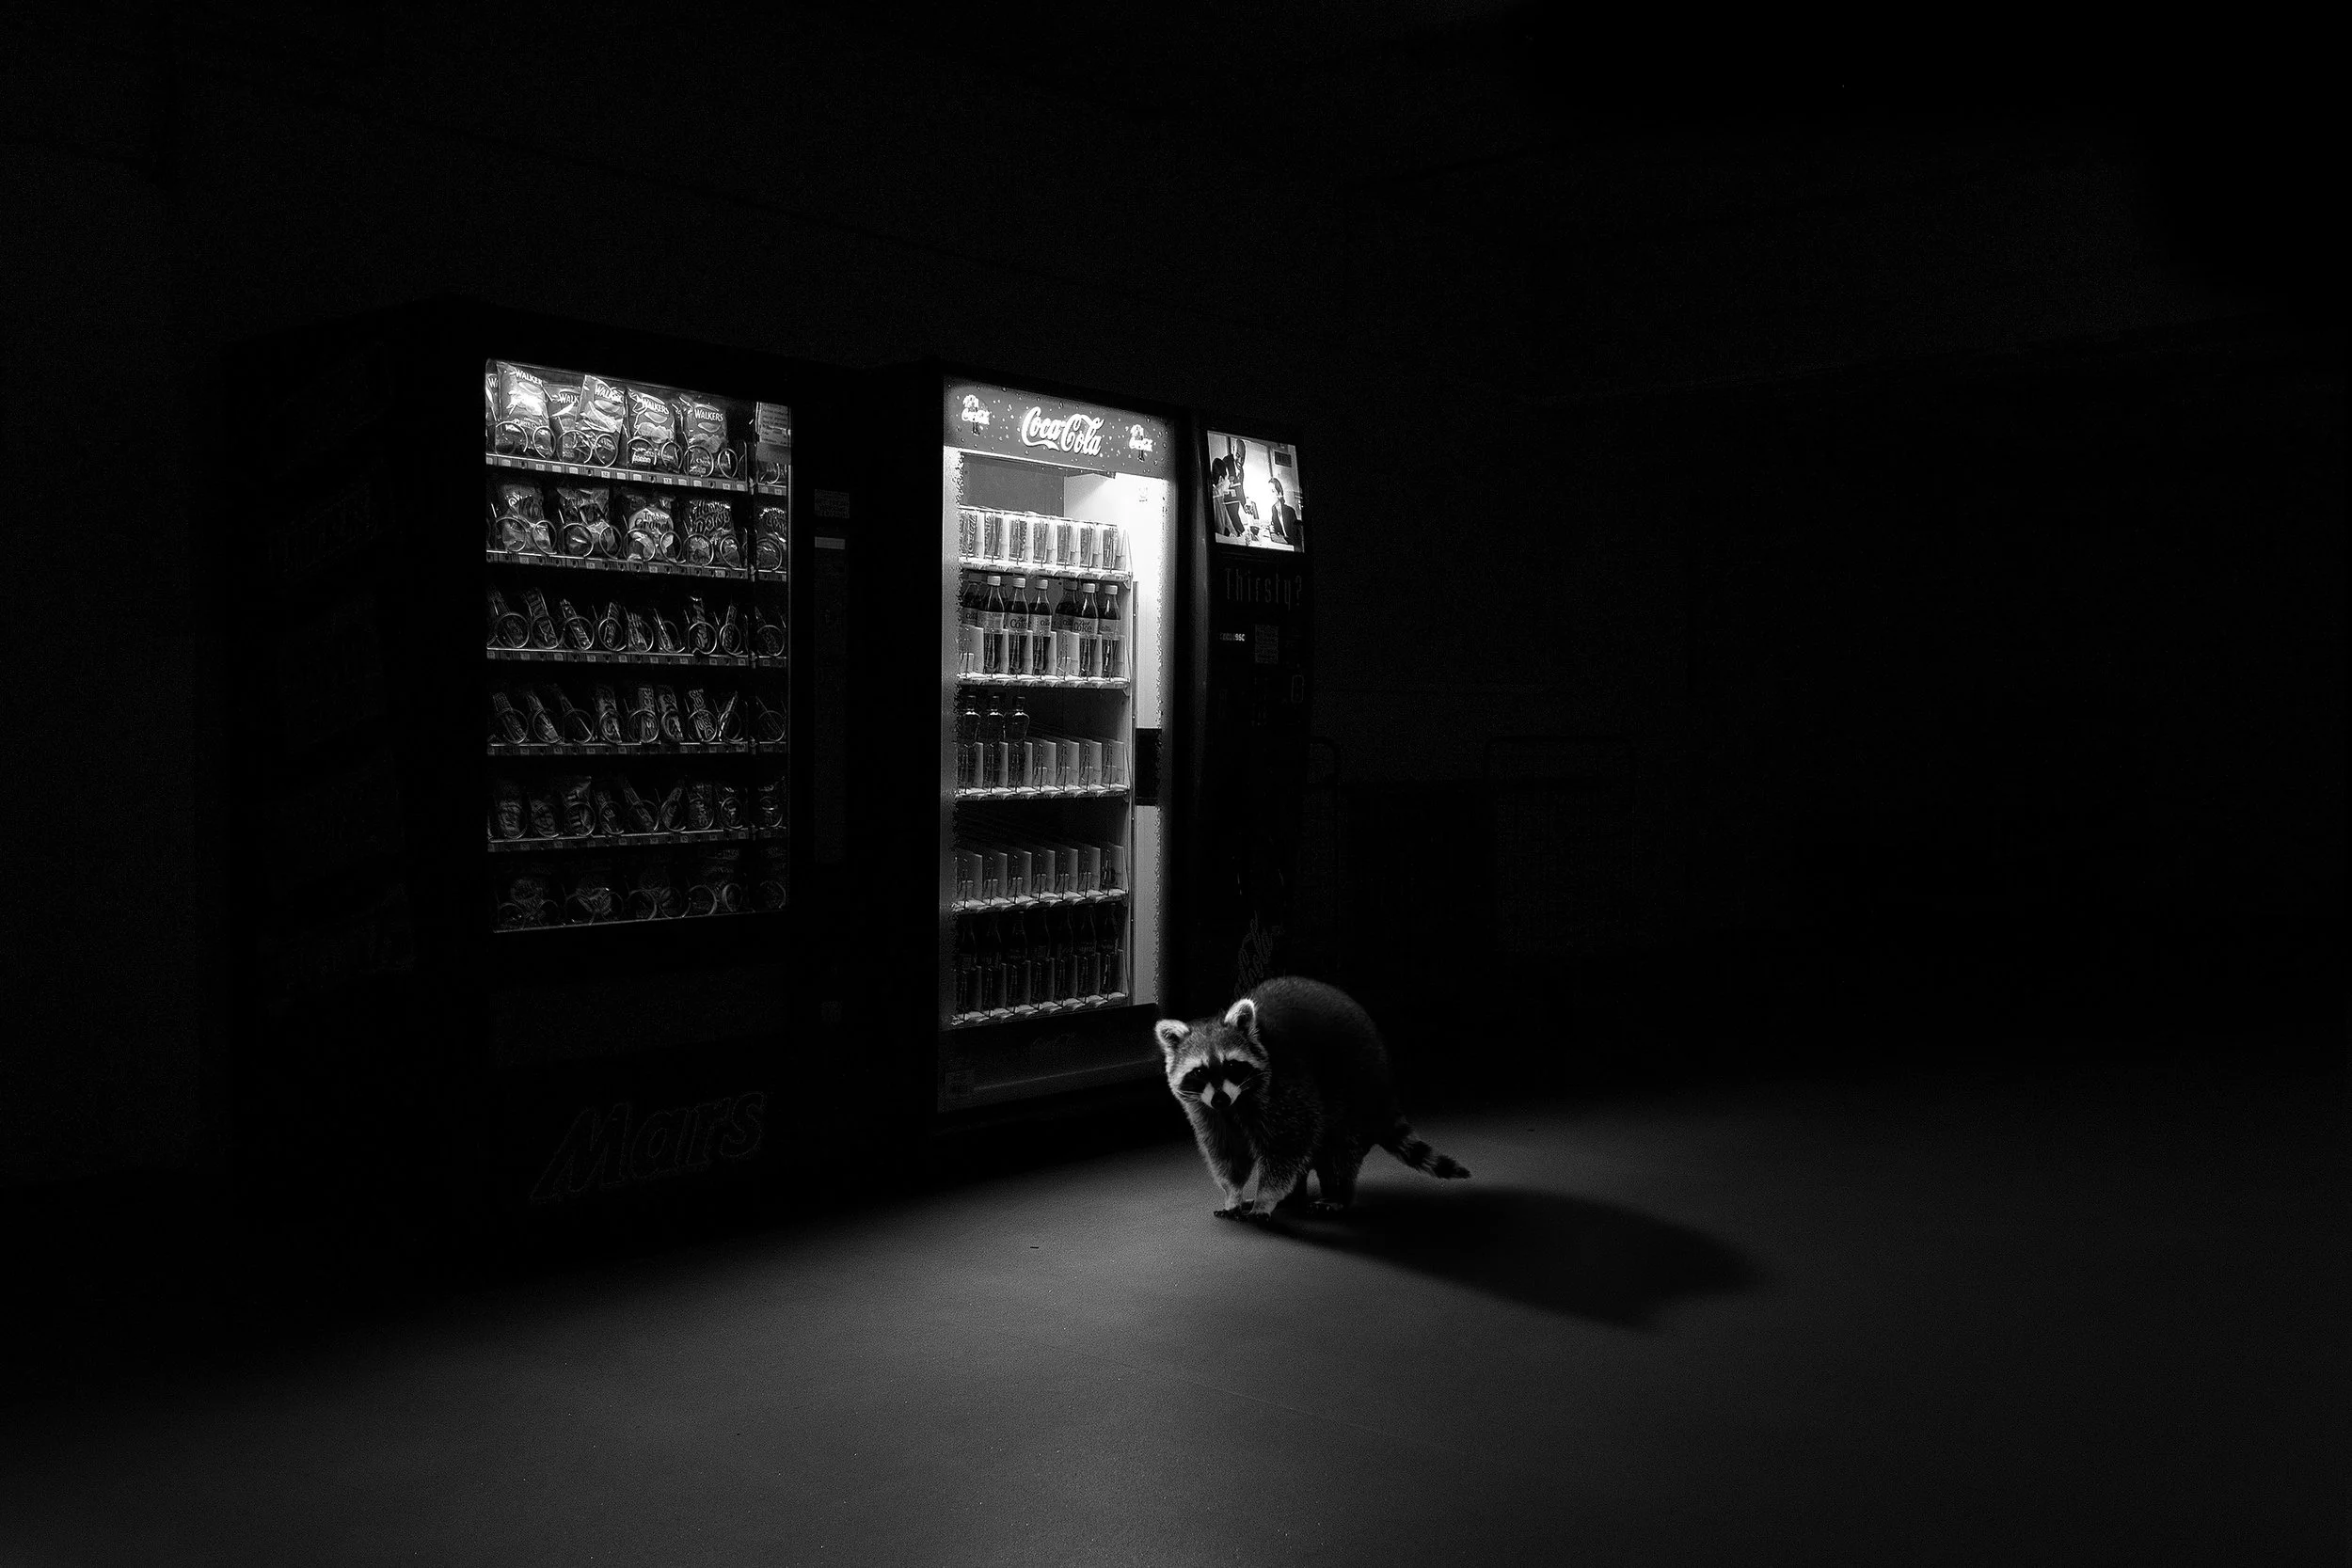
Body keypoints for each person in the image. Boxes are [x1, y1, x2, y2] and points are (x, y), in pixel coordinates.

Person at [1265, 477, 1300, 548]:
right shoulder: (1274, 509)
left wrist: (1282, 539)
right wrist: (1273, 533)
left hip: (1294, 548)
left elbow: (1296, 538)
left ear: (1280, 494)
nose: (1269, 495)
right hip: (1283, 547)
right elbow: (1274, 528)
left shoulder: (1290, 511)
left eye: (1272, 491)